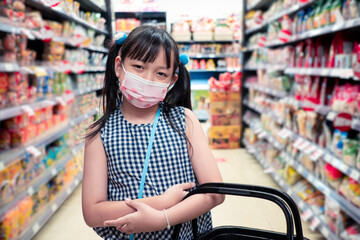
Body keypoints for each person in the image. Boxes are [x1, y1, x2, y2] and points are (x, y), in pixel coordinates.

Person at [82, 25, 224, 240]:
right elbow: (92, 213)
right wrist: (161, 203)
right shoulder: (99, 134)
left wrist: (163, 218)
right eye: (138, 67)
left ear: (171, 80)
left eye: (160, 73)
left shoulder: (185, 120)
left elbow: (215, 192)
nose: (148, 79)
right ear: (119, 66)